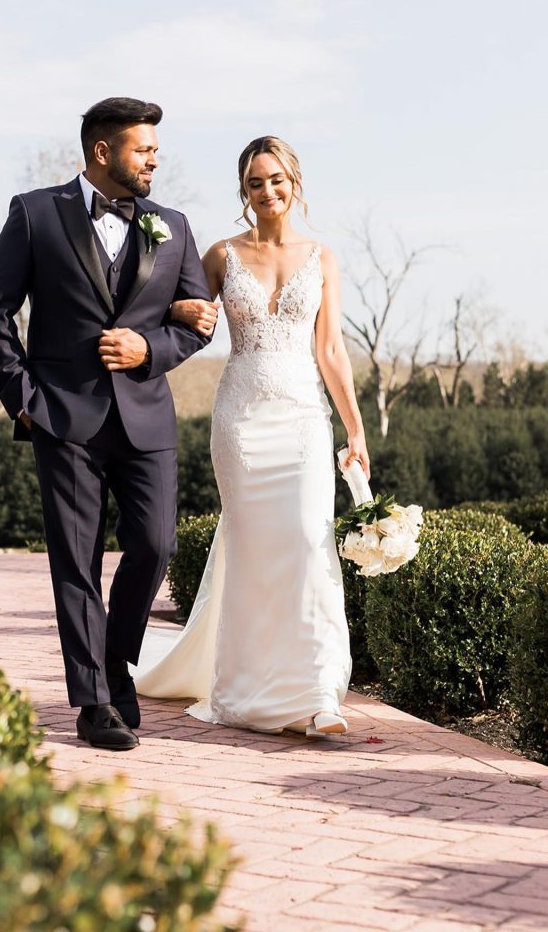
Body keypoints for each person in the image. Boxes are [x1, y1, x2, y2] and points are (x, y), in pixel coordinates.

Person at [0, 97, 214, 751]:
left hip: (146, 416)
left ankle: (114, 662)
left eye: (156, 152)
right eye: (145, 150)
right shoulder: (35, 214)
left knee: (156, 544)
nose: (155, 161)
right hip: (63, 415)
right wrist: (22, 397)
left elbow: (194, 320)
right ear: (103, 152)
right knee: (76, 562)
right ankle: (93, 702)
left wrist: (150, 351)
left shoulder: (173, 225)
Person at [134, 136, 369, 736]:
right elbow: (176, 313)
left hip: (303, 422)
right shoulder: (219, 255)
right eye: (255, 183)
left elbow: (332, 350)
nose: (267, 192)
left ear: (295, 182)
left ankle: (318, 693)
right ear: (244, 191)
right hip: (240, 418)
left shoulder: (322, 257)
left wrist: (355, 428)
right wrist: (178, 319)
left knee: (309, 544)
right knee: (253, 548)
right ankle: (243, 686)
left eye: (277, 180)